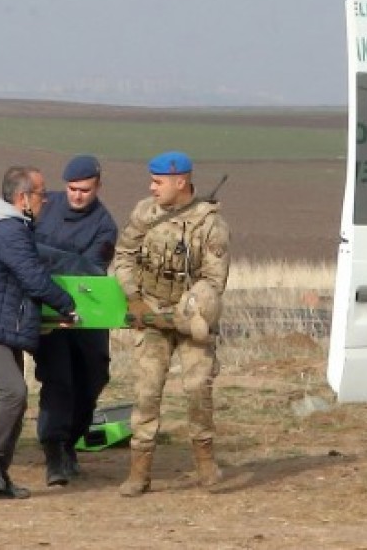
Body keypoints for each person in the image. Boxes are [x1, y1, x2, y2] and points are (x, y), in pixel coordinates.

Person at [0, 165, 80, 500]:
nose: (46, 200)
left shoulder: (5, 226)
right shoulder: (9, 231)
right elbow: (34, 278)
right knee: (13, 392)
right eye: (41, 194)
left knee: (13, 400)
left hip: (0, 326)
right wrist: (68, 306)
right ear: (23, 198)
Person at [111, 151, 231, 497]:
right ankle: (140, 471)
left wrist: (186, 314)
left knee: (198, 389)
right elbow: (124, 255)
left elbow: (213, 280)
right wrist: (133, 297)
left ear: (181, 182)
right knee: (146, 393)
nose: (152, 188)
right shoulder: (143, 213)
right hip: (149, 313)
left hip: (191, 320)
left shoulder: (211, 224)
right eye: (151, 180)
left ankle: (205, 462)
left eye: (158, 182)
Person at [32, 154, 117, 486]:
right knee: (58, 379)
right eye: (72, 188)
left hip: (88, 311)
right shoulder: (46, 205)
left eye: (85, 189)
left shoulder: (105, 225)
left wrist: (48, 257)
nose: (77, 195)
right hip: (47, 310)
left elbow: (91, 270)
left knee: (95, 375)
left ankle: (71, 441)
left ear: (97, 187)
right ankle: (54, 449)